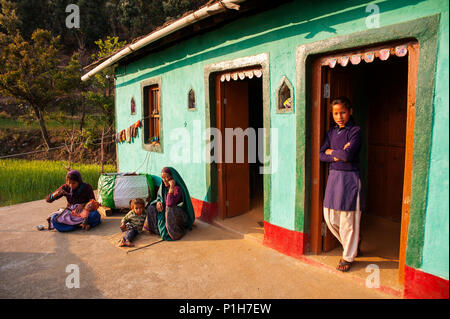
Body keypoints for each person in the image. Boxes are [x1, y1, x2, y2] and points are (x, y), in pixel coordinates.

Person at [319, 97, 363, 272]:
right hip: (334, 176)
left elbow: (348, 156)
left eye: (343, 112)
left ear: (350, 111)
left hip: (350, 178)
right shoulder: (331, 133)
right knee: (330, 217)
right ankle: (352, 243)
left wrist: (333, 152)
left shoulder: (355, 131)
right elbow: (321, 154)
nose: (340, 116)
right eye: (336, 113)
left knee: (348, 220)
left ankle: (348, 255)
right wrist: (338, 152)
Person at [143, 167, 195, 241]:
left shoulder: (177, 188)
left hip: (179, 217)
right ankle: (158, 230)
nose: (164, 180)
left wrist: (171, 187)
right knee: (151, 207)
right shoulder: (163, 187)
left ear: (172, 177)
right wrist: (158, 203)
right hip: (167, 215)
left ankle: (174, 233)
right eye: (162, 177)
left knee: (169, 209)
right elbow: (159, 197)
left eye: (166, 177)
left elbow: (169, 203)